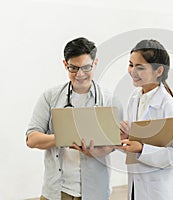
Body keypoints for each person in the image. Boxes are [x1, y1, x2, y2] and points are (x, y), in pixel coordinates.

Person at [26, 37, 122, 200]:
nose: (80, 74)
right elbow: (31, 139)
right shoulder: (50, 97)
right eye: (73, 68)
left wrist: (95, 152)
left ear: (95, 63)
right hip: (57, 191)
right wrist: (64, 137)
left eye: (86, 67)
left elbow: (114, 144)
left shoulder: (109, 100)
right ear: (65, 64)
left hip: (95, 191)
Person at [119, 39, 173, 200]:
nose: (132, 71)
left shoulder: (169, 106)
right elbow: (138, 141)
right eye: (131, 65)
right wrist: (125, 139)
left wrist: (141, 149)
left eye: (140, 67)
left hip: (162, 191)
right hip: (137, 188)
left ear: (158, 71)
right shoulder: (135, 98)